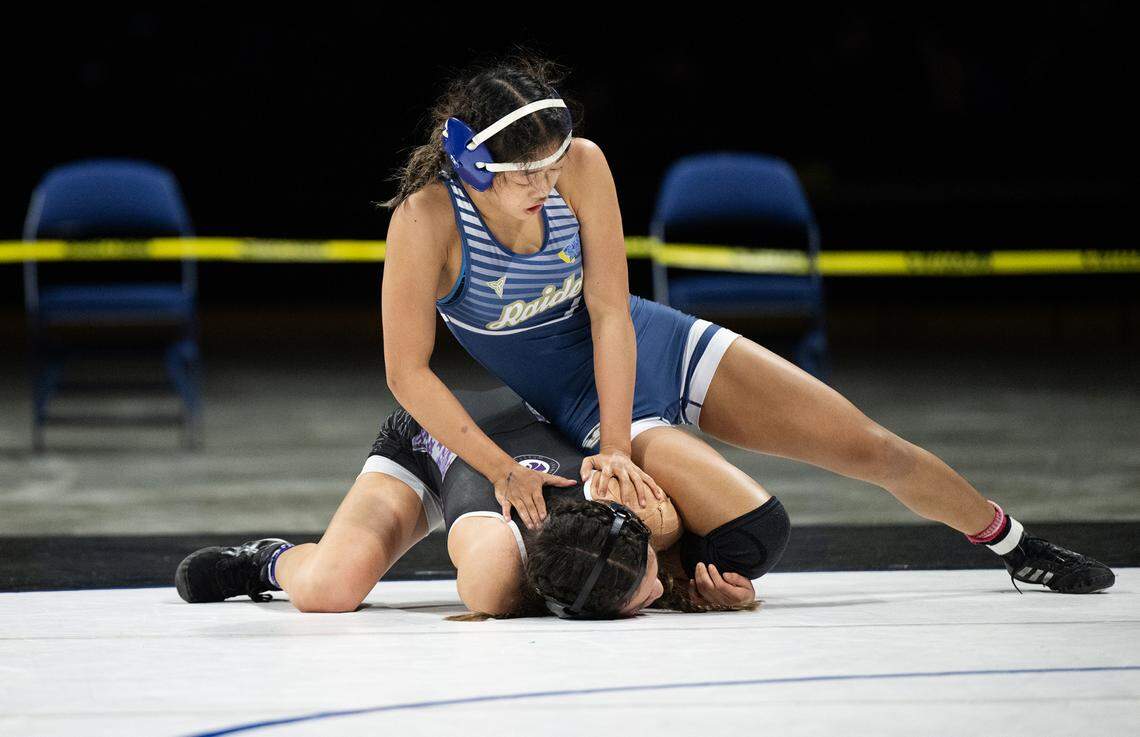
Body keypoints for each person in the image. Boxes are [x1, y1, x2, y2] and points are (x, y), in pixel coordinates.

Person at [377, 53, 1113, 597]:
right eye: (526, 174)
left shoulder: (584, 167)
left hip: (646, 346)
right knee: (753, 534)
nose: (547, 183)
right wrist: (511, 466)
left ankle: (1017, 544)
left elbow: (609, 310)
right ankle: (685, 582)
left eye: (553, 163)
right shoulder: (429, 219)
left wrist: (616, 442)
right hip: (572, 403)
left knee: (868, 444)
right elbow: (407, 372)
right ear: (474, 167)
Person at [176, 387, 773, 617]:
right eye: (654, 588)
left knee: (668, 533)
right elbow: (529, 590)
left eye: (651, 589)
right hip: (435, 440)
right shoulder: (493, 564)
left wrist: (691, 586)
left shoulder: (642, 515)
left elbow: (632, 565)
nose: (658, 591)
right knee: (329, 590)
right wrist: (671, 584)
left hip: (531, 425)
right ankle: (270, 560)